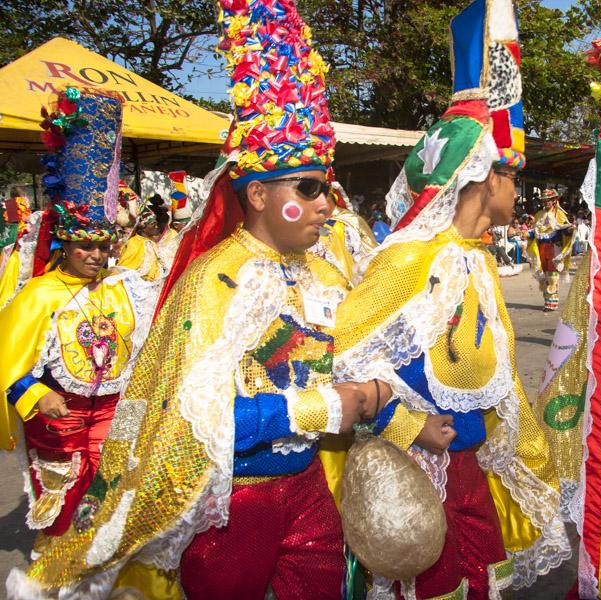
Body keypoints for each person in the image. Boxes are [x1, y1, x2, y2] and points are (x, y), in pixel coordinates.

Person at [9, 2, 385, 598]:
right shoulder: (214, 282)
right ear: (257, 194)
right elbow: (191, 420)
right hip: (228, 506)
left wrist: (385, 401)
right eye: (308, 188)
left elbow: (363, 366)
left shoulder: (325, 274)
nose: (325, 205)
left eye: (326, 189)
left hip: (312, 489)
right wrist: (316, 409)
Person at [333, 1, 569, 597]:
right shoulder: (409, 259)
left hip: (470, 467)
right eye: (514, 175)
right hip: (411, 474)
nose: (521, 190)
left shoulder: (481, 260)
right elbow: (337, 359)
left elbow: (500, 375)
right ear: (487, 176)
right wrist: (407, 421)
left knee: (480, 583)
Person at [0, 89, 159, 543]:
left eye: (102, 245)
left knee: (117, 486)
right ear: (64, 245)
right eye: (84, 246)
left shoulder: (128, 287)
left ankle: (106, 572)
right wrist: (33, 395)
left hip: (119, 408)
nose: (94, 255)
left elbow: (150, 345)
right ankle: (57, 576)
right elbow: (8, 363)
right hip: (59, 412)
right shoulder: (40, 293)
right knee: (62, 496)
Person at [527, 189, 574, 311]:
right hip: (541, 247)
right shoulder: (539, 215)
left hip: (554, 247)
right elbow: (534, 231)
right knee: (544, 274)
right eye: (544, 201)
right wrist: (527, 235)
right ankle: (547, 301)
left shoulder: (559, 214)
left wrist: (570, 230)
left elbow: (565, 229)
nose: (546, 203)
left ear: (554, 201)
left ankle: (552, 303)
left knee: (553, 275)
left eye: (548, 200)